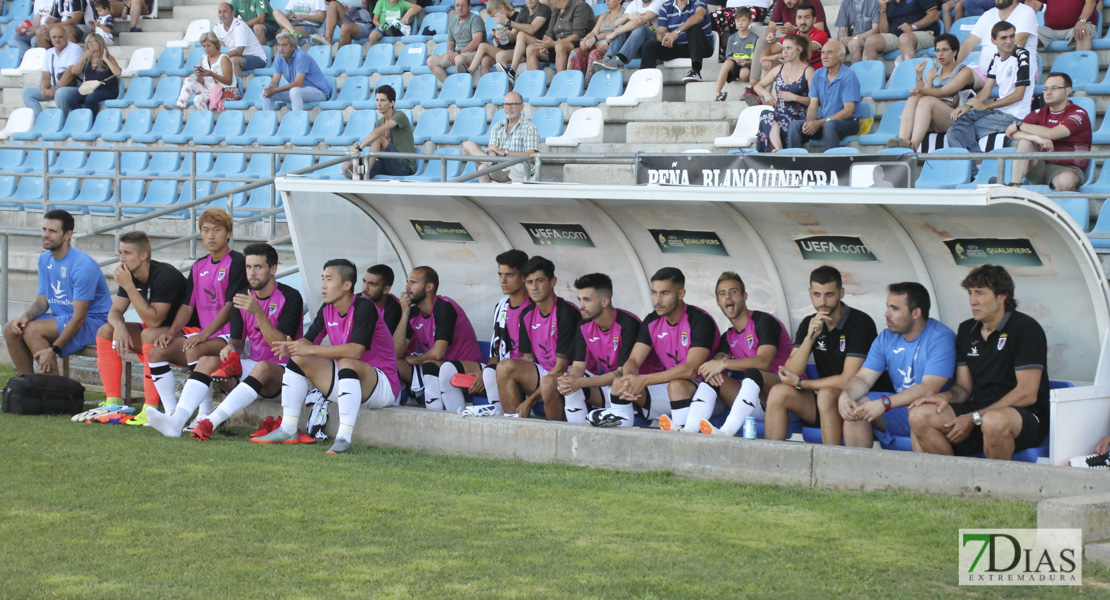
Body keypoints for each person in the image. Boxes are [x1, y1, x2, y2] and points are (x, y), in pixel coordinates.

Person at [146, 243, 306, 440]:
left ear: (273, 269)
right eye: (248, 267)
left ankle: (210, 422)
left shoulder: (290, 297)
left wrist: (258, 312)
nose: (252, 273)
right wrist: (230, 347)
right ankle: (176, 420)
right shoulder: (241, 296)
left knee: (263, 366)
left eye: (258, 267)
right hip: (252, 368)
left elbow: (282, 347)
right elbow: (238, 341)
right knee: (207, 360)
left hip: (282, 374)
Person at [255, 259, 400, 455]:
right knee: (298, 358)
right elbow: (307, 343)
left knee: (348, 361)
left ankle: (344, 439)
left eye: (329, 279)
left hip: (383, 386)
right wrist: (292, 347)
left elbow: (355, 351)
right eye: (322, 278)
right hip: (348, 380)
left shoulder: (364, 307)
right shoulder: (327, 308)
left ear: (347, 285)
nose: (323, 285)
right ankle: (288, 429)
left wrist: (310, 350)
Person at [909, 266, 1049, 459]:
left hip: (1024, 415)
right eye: (970, 293)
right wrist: (947, 397)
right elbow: (964, 389)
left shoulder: (1026, 329)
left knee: (994, 421)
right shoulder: (967, 330)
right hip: (979, 412)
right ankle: (952, 484)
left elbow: (1027, 394)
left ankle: (994, 487)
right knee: (919, 415)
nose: (973, 301)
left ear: (1002, 297)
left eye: (980, 293)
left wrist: (975, 418)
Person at [143, 209, 247, 427]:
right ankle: (172, 414)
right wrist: (171, 333)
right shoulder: (199, 265)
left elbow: (230, 306)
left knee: (194, 348)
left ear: (228, 233)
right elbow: (187, 306)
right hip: (207, 335)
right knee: (157, 350)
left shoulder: (237, 262)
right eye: (205, 230)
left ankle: (204, 412)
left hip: (231, 335)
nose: (211, 236)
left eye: (217, 230)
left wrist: (203, 336)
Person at [763, 266, 885, 444]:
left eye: (829, 294)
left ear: (841, 293)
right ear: (810, 293)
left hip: (858, 400)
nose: (823, 302)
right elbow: (789, 372)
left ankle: (828, 463)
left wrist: (802, 383)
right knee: (779, 392)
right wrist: (810, 338)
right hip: (824, 401)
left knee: (826, 394)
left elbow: (848, 380)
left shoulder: (860, 323)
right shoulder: (809, 323)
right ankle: (770, 462)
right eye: (817, 295)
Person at [837, 282, 955, 448]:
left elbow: (929, 388)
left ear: (916, 313)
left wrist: (884, 403)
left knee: (918, 414)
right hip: (902, 409)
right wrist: (846, 395)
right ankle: (858, 472)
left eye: (894, 308)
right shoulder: (886, 337)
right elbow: (863, 378)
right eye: (887, 307)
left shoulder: (940, 337)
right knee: (855, 408)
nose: (886, 314)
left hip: (934, 414)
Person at [4, 210, 112, 377]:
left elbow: (79, 318)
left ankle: (53, 395)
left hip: (93, 323)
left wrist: (53, 349)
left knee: (32, 330)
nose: (46, 235)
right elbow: (41, 302)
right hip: (62, 317)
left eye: (52, 231)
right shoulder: (44, 259)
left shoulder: (82, 265)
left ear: (68, 235)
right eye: (44, 229)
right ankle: (28, 387)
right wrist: (25, 317)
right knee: (11, 329)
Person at [612, 267, 720, 433]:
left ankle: (680, 441)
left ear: (681, 294)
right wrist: (630, 378)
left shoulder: (699, 320)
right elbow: (633, 360)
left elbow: (690, 370)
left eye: (664, 293)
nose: (657, 299)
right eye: (654, 293)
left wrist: (644, 380)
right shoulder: (652, 320)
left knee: (677, 386)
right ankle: (618, 446)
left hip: (708, 392)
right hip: (671, 386)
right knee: (619, 384)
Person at [94, 232, 186, 414]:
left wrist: (129, 286)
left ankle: (150, 408)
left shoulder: (164, 275)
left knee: (149, 334)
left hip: (187, 331)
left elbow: (154, 320)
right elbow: (114, 312)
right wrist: (119, 326)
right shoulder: (130, 275)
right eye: (120, 253)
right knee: (106, 330)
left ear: (143, 255)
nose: (122, 259)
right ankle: (113, 402)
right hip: (160, 332)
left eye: (127, 253)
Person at [558, 273, 663, 426]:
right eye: (579, 299)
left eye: (587, 300)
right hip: (611, 387)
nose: (581, 306)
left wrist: (579, 382)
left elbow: (622, 372)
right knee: (570, 386)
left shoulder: (628, 324)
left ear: (605, 301)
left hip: (639, 390)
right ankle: (577, 438)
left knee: (616, 382)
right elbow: (578, 366)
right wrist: (571, 380)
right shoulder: (584, 325)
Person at [695, 272, 792, 436]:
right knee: (712, 376)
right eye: (722, 294)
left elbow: (764, 362)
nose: (728, 297)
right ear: (718, 301)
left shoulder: (764, 322)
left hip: (787, 398)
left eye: (733, 292)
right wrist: (713, 367)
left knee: (755, 373)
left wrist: (723, 364)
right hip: (757, 402)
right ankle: (688, 429)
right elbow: (716, 363)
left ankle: (726, 432)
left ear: (744, 296)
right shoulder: (729, 336)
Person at [495, 256, 581, 419]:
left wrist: (531, 400)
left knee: (548, 383)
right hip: (544, 372)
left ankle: (553, 437)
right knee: (504, 367)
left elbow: (561, 366)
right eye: (529, 282)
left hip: (571, 374)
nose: (534, 287)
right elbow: (527, 358)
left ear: (553, 281)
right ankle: (514, 424)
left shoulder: (566, 313)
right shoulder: (527, 314)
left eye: (540, 281)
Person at [392, 266, 483, 412]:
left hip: (466, 370)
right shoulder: (414, 312)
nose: (407, 287)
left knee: (431, 364)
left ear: (429, 287)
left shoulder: (444, 307)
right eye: (407, 282)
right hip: (436, 367)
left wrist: (415, 360)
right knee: (393, 363)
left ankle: (436, 415)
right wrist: (404, 314)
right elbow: (395, 352)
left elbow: (438, 353)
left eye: (413, 282)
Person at [946, 21, 1032, 175]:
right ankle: (975, 167)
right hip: (999, 111)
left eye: (1012, 36)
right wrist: (967, 106)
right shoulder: (996, 57)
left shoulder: (1022, 55)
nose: (1009, 41)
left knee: (953, 133)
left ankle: (976, 167)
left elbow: (1019, 95)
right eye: (1004, 37)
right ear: (994, 41)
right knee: (958, 119)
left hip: (1014, 115)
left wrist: (986, 106)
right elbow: (986, 90)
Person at [462, 249, 531, 417]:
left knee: (498, 370)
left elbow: (534, 356)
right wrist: (485, 371)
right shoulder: (501, 305)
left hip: (529, 370)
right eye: (500, 275)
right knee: (490, 371)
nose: (503, 280)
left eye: (509, 275)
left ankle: (510, 421)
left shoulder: (534, 307)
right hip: (503, 368)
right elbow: (496, 353)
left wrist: (492, 370)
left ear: (523, 276)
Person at [886, 33, 973, 150]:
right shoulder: (933, 72)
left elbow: (943, 92)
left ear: (955, 52)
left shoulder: (965, 72)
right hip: (933, 116)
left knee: (927, 101)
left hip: (956, 117)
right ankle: (903, 141)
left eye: (945, 50)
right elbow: (922, 93)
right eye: (937, 50)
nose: (940, 54)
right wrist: (919, 77)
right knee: (913, 99)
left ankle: (914, 145)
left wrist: (920, 89)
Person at [1006, 71, 1091, 191]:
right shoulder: (1039, 113)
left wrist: (1019, 125)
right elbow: (1010, 133)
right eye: (1045, 89)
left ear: (1068, 91)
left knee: (1066, 182)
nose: (1048, 92)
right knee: (1025, 143)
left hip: (1067, 167)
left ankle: (1056, 208)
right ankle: (1013, 188)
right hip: (1041, 164)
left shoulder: (1078, 114)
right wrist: (1035, 138)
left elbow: (1052, 134)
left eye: (1054, 88)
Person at [788, 40, 862, 151]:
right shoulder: (818, 74)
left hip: (848, 122)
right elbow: (813, 105)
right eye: (822, 53)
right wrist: (810, 123)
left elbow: (849, 111)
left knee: (830, 125)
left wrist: (818, 123)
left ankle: (829, 165)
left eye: (829, 52)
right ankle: (793, 164)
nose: (824, 56)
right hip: (825, 121)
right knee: (795, 126)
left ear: (841, 56)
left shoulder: (849, 75)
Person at [956, 0, 1038, 89]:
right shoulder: (988, 15)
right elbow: (968, 44)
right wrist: (952, 67)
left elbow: (1017, 44)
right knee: (950, 83)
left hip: (1015, 75)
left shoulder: (1026, 12)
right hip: (985, 75)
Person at [460, 92, 538, 183]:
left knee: (482, 168)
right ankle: (493, 167)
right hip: (499, 163)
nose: (508, 107)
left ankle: (494, 169)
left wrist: (504, 153)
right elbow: (492, 149)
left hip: (519, 165)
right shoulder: (497, 126)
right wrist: (492, 161)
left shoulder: (529, 127)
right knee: (468, 145)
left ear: (521, 107)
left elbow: (530, 156)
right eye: (506, 104)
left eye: (512, 104)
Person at [754, 33, 813, 152]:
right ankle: (778, 149)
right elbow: (757, 86)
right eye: (783, 48)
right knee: (766, 114)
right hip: (779, 115)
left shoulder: (808, 71)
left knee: (769, 125)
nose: (784, 52)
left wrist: (795, 97)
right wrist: (766, 94)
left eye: (789, 48)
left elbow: (815, 101)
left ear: (799, 50)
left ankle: (776, 151)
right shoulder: (778, 69)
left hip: (798, 118)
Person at [345, 84, 416, 179]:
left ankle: (364, 174)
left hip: (403, 167)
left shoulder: (400, 116)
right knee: (346, 166)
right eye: (377, 100)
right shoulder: (379, 123)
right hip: (386, 165)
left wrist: (359, 148)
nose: (378, 104)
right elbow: (376, 148)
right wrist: (360, 160)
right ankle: (359, 179)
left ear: (392, 103)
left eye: (382, 100)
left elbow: (377, 133)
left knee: (379, 138)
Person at [751, 0, 827, 80]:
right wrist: (765, 58)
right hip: (794, 68)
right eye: (799, 18)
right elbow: (770, 46)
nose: (803, 21)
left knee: (805, 69)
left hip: (812, 71)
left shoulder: (820, 34)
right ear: (796, 19)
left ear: (813, 19)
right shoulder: (792, 35)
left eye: (807, 17)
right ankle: (753, 86)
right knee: (767, 62)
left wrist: (775, 56)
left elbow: (803, 50)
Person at [639, 0, 712, 83]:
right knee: (649, 46)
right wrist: (663, 39)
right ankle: (646, 81)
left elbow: (699, 16)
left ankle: (696, 71)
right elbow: (660, 32)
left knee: (693, 27)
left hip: (701, 47)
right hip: (678, 47)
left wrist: (676, 32)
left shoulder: (698, 2)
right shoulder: (666, 6)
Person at [261, 31, 332, 111]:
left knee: (295, 91)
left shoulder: (301, 56)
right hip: (301, 91)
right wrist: (270, 88)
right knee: (266, 94)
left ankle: (297, 120)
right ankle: (268, 121)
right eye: (279, 45)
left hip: (319, 92)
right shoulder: (279, 57)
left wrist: (276, 90)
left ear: (293, 47)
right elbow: (275, 81)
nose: (281, 48)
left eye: (284, 45)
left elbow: (298, 83)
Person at [23, 25, 82, 118]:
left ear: (66, 37)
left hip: (74, 88)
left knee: (60, 93)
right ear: (50, 38)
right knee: (27, 92)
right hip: (56, 87)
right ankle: (40, 121)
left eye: (60, 36)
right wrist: (44, 89)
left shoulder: (74, 48)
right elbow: (45, 76)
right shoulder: (49, 52)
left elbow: (70, 73)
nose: (57, 39)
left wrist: (55, 88)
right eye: (54, 37)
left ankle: (60, 121)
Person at [524, 0, 595, 73]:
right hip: (556, 45)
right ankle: (534, 83)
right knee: (531, 49)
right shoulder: (556, 10)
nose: (549, 1)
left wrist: (554, 43)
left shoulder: (579, 6)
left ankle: (561, 81)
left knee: (559, 46)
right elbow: (549, 33)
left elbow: (578, 35)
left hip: (577, 44)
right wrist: (544, 45)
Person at [590, 0, 661, 71]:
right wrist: (628, 16)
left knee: (640, 28)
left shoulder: (658, 2)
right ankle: (608, 58)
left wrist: (615, 33)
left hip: (652, 46)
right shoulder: (635, 3)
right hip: (635, 46)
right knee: (622, 26)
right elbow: (616, 23)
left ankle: (620, 60)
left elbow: (640, 21)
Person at [173, 32, 234, 111]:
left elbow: (229, 81)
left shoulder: (224, 58)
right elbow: (201, 82)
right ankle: (180, 106)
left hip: (227, 91)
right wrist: (199, 75)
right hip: (209, 90)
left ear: (215, 45)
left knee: (197, 99)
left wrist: (212, 74)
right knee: (189, 81)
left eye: (209, 46)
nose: (206, 49)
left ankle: (206, 119)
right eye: (204, 46)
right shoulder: (203, 59)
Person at [427, 0, 484, 83]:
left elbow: (476, 41)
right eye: (457, 5)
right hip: (458, 53)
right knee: (431, 61)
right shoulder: (453, 23)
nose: (460, 8)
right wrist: (450, 52)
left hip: (474, 52)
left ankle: (462, 86)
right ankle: (450, 85)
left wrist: (458, 52)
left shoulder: (475, 19)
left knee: (458, 59)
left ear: (469, 7)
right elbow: (450, 43)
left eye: (463, 5)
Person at [494, 0, 551, 83]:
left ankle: (512, 71)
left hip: (542, 46)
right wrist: (503, 35)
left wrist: (508, 22)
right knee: (500, 56)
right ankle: (508, 89)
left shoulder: (544, 9)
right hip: (524, 50)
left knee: (521, 34)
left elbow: (532, 29)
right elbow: (513, 36)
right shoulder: (523, 11)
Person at [568, 0, 624, 84]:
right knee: (576, 52)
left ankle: (591, 85)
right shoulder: (604, 15)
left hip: (612, 46)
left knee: (595, 53)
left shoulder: (624, 13)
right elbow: (594, 32)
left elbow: (617, 31)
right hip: (596, 44)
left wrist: (595, 38)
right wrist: (585, 39)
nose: (607, 1)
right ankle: (574, 83)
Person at [868, 0, 940, 64]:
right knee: (870, 41)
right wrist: (883, 9)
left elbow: (934, 15)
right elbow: (884, 31)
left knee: (905, 38)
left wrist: (913, 26)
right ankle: (868, 78)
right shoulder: (888, 2)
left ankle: (910, 76)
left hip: (925, 33)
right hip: (898, 37)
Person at [68, 31, 120, 114]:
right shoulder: (87, 59)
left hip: (106, 89)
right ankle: (80, 118)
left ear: (100, 43)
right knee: (72, 99)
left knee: (90, 99)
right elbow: (74, 71)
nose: (90, 44)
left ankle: (91, 121)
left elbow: (117, 72)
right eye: (88, 42)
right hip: (89, 88)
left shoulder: (108, 57)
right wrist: (84, 57)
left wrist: (105, 59)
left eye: (93, 41)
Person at [712, 7, 758, 100]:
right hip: (735, 64)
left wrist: (746, 62)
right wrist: (734, 59)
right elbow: (728, 56)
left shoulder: (754, 38)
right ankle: (717, 92)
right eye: (738, 21)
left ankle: (740, 77)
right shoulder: (732, 38)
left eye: (743, 20)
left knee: (744, 75)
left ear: (750, 21)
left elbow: (756, 59)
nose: (740, 23)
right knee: (727, 63)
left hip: (747, 65)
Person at [465, 0, 519, 77]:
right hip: (503, 48)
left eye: (495, 16)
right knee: (485, 60)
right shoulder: (502, 20)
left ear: (501, 8)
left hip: (514, 51)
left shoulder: (517, 17)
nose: (495, 19)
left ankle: (469, 72)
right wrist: (496, 36)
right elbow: (500, 43)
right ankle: (485, 85)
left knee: (483, 46)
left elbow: (513, 37)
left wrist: (504, 34)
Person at [214, 2, 269, 77]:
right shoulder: (217, 27)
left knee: (234, 60)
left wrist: (221, 56)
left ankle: (236, 88)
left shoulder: (240, 26)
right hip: (238, 57)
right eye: (219, 12)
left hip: (257, 58)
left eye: (225, 11)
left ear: (232, 14)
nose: (222, 14)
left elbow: (238, 51)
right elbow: (213, 45)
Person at [1029, 0, 1096, 51]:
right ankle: (1025, 67)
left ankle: (1081, 67)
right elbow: (1035, 4)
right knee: (1026, 34)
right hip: (1050, 30)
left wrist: (1082, 21)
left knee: (1083, 31)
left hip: (1077, 27)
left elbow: (1091, 2)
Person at [362, 264, 404, 336]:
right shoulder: (356, 300)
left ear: (385, 289)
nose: (365, 288)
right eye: (364, 281)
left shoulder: (395, 309)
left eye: (372, 284)